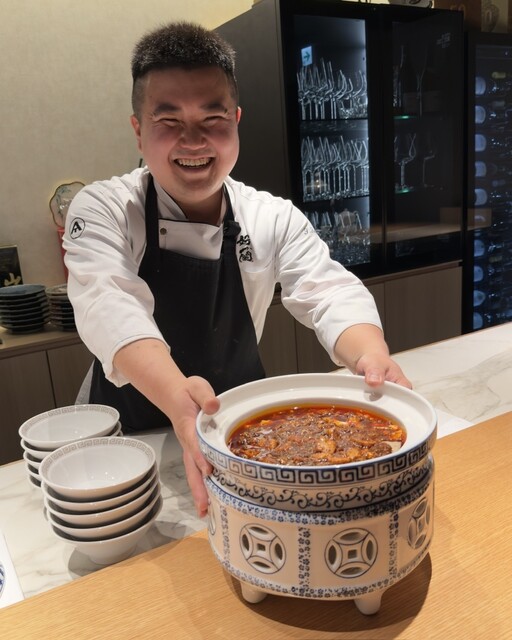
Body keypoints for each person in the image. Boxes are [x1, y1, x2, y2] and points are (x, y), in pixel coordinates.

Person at [63, 21, 411, 518]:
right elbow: (108, 304)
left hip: (238, 433)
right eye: (168, 120)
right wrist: (177, 398)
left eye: (213, 118)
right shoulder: (103, 208)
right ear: (138, 130)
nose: (193, 141)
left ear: (237, 120)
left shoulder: (271, 215)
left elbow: (330, 291)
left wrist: (372, 357)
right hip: (128, 449)